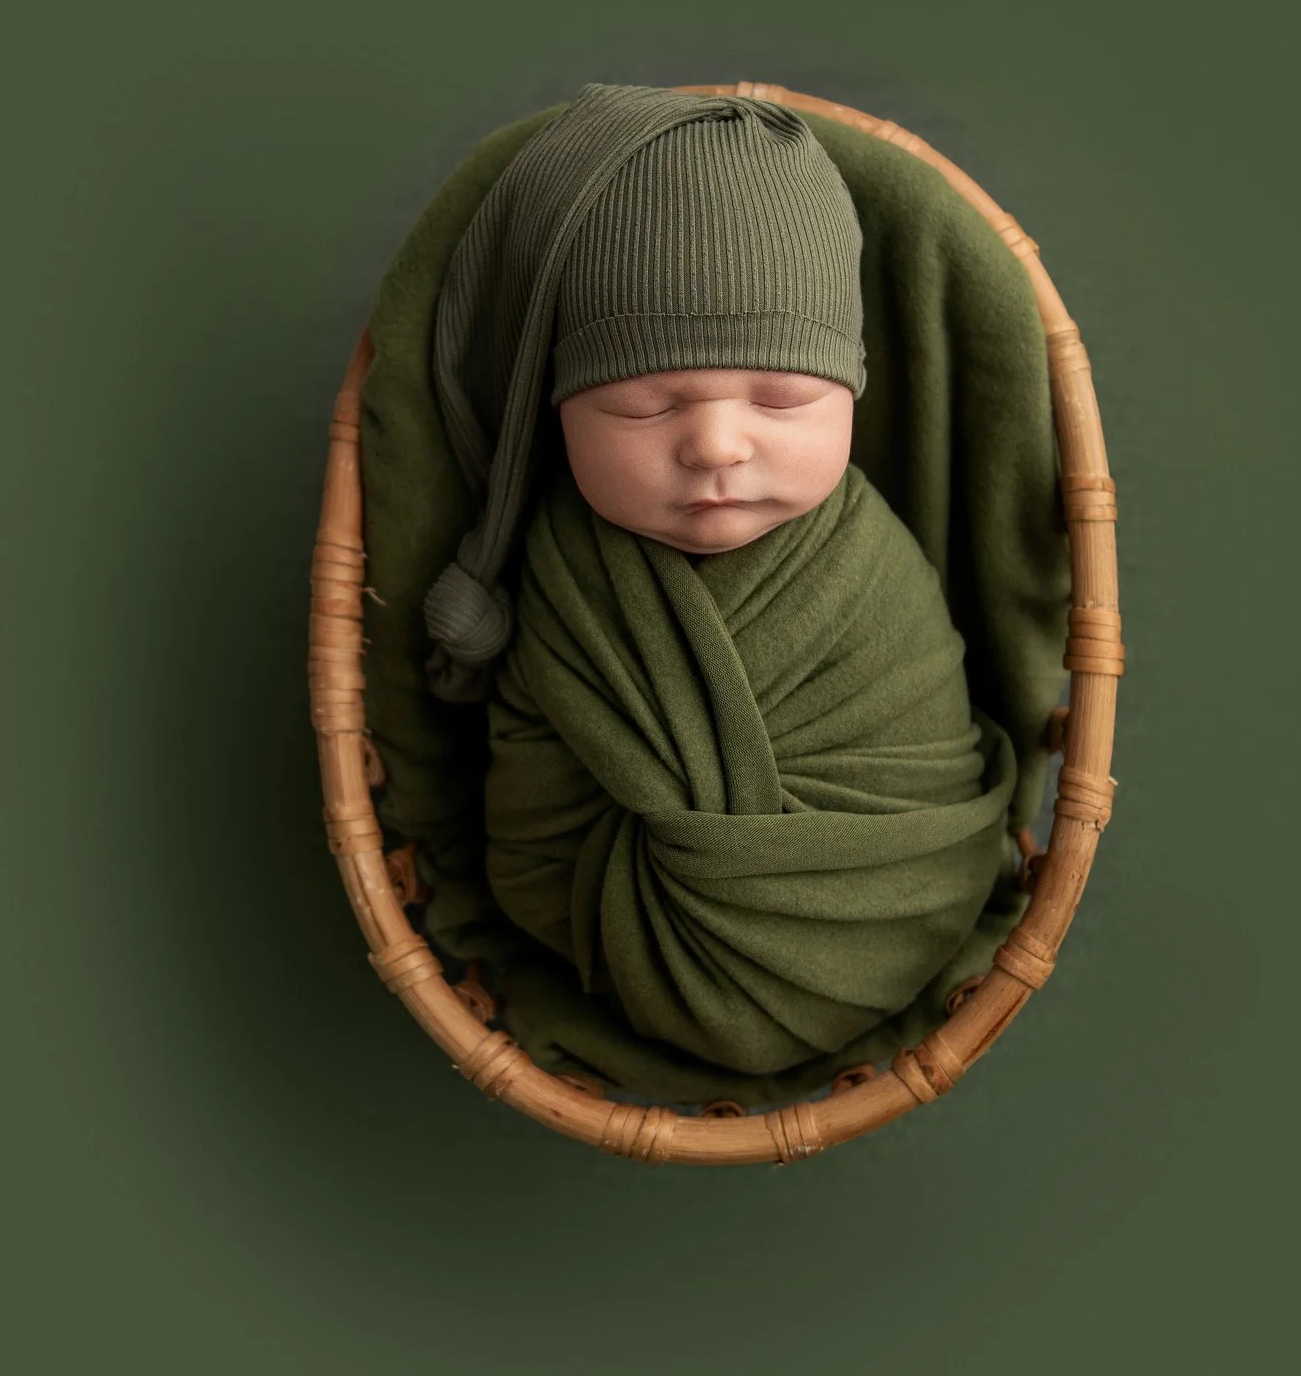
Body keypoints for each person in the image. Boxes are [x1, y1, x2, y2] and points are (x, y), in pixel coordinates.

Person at [424, 82, 1020, 1088]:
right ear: (554, 414)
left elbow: (917, 743)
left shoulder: (871, 565)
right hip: (606, 922)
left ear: (853, 396)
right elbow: (530, 821)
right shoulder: (564, 568)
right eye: (642, 405)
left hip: (886, 900)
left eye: (781, 394)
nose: (714, 445)